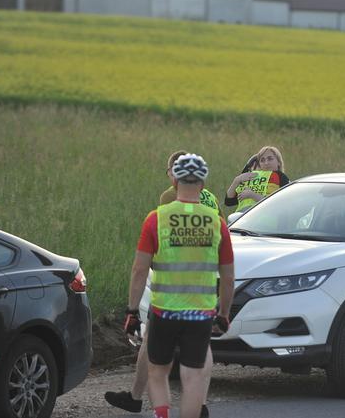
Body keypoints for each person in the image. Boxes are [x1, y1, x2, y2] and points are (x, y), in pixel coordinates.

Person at [105, 151, 224, 417]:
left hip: (170, 290)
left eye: (170, 170)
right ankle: (199, 404)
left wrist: (132, 309)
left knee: (154, 348)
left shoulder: (168, 200)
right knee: (202, 349)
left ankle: (139, 398)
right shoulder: (211, 200)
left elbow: (146, 260)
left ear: (175, 176)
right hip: (203, 286)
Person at [225, 146, 289, 213]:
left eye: (270, 159)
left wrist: (252, 195)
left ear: (278, 162)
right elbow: (229, 201)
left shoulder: (281, 177)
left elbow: (283, 203)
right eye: (262, 160)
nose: (266, 163)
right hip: (242, 219)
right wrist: (236, 180)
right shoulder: (250, 177)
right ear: (260, 165)